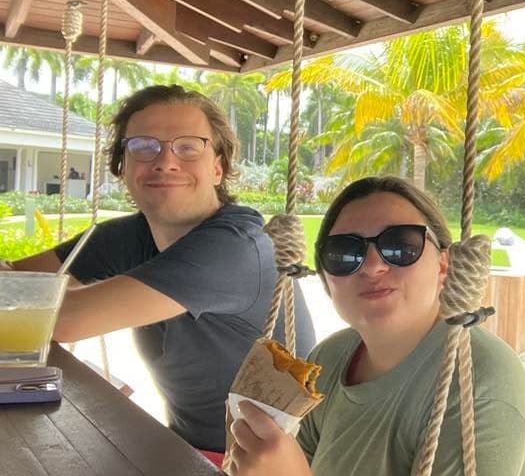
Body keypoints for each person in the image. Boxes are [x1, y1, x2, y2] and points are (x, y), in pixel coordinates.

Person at [226, 176, 525, 476]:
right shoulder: (334, 355)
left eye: (400, 245)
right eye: (345, 253)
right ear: (326, 278)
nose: (373, 265)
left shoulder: (483, 382)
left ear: (444, 264)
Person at [6, 84, 314, 454]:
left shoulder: (235, 246)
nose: (165, 161)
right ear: (123, 167)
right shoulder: (127, 236)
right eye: (143, 146)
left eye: (188, 147)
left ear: (218, 167)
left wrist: (25, 293)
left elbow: (59, 320)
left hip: (262, 467)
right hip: (184, 446)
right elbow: (15, 279)